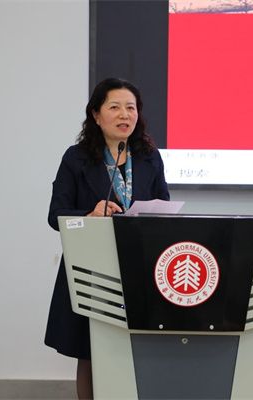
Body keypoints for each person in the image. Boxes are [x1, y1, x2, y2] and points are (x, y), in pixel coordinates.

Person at [45, 77, 170, 399]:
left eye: (131, 107)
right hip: (93, 271)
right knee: (91, 350)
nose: (124, 114)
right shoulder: (76, 158)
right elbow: (56, 216)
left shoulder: (149, 157)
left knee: (137, 348)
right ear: (96, 115)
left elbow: (165, 208)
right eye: (115, 107)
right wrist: (89, 215)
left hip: (140, 269)